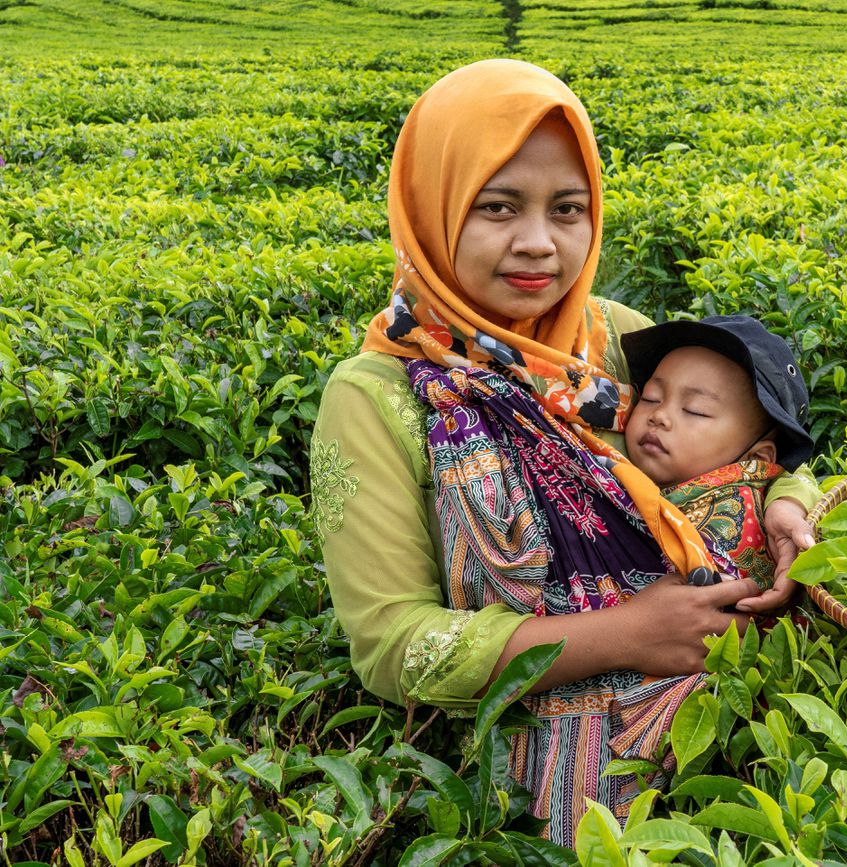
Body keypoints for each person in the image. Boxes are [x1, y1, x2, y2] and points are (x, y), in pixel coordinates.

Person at [309, 59, 819, 844]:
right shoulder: (375, 395)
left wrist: (791, 505)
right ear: (433, 203)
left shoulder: (609, 331)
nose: (540, 244)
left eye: (568, 208)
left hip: (722, 736)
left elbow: (738, 431)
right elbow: (391, 648)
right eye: (497, 207)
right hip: (526, 797)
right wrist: (620, 635)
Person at [621, 314, 816, 590]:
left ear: (756, 461)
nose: (659, 415)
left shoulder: (731, 531)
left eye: (694, 410)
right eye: (651, 397)